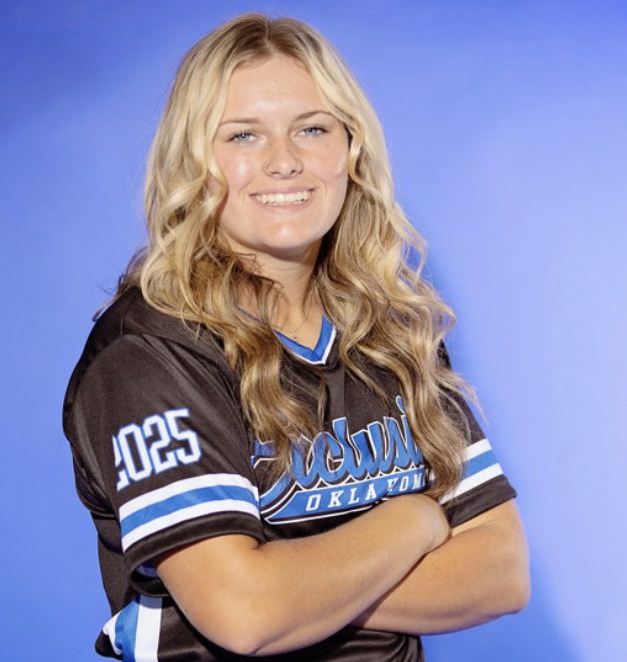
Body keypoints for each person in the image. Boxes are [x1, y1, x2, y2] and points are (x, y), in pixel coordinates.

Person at [63, 13, 530, 661]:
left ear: (351, 151)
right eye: (243, 135)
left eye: (312, 129)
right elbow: (246, 614)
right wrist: (415, 520)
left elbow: (501, 572)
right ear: (193, 161)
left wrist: (296, 582)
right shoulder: (150, 351)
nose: (283, 161)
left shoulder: (390, 328)